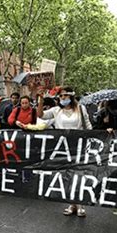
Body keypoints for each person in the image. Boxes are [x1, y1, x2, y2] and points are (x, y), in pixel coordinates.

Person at [37, 87, 92, 217]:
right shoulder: (56, 110)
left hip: (78, 147)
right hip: (62, 148)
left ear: (71, 97)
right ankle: (72, 203)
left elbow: (88, 126)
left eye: (65, 96)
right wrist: (40, 99)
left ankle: (81, 204)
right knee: (67, 176)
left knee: (79, 175)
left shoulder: (81, 109)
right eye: (60, 96)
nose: (62, 99)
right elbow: (41, 115)